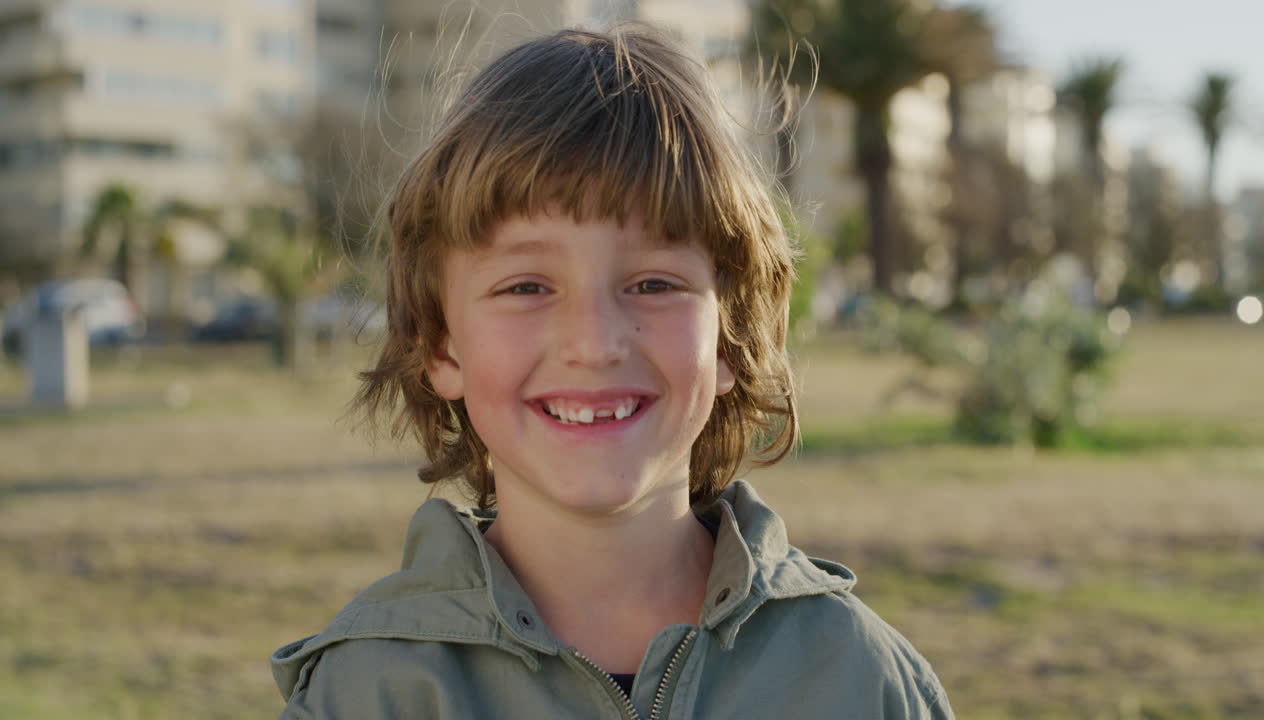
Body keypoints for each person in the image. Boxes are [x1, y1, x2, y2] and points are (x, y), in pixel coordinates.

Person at [271, 25, 953, 720]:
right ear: (442, 347)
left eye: (654, 284)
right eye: (527, 287)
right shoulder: (363, 695)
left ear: (731, 339)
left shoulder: (860, 679)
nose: (594, 344)